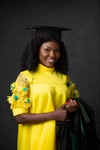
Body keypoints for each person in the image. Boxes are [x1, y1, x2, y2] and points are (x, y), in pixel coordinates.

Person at [7, 26, 100, 150]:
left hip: (62, 139)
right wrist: (53, 115)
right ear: (36, 50)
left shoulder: (63, 77)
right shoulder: (25, 77)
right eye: (47, 50)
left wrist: (72, 107)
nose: (52, 55)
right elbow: (19, 117)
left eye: (57, 50)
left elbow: (68, 106)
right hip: (36, 139)